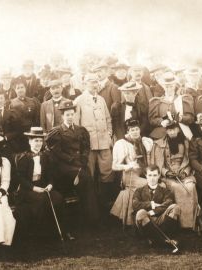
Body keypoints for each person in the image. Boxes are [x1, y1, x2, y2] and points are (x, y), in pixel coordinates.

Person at [45, 100, 99, 224]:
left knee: (87, 179)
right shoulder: (57, 131)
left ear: (74, 114)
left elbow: (86, 147)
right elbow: (57, 152)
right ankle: (89, 217)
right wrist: (72, 160)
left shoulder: (81, 130)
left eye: (71, 114)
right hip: (65, 167)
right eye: (67, 115)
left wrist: (83, 159)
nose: (70, 117)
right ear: (62, 116)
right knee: (85, 178)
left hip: (80, 164)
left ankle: (90, 218)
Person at [149, 119, 202, 230]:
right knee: (177, 188)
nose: (171, 132)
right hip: (169, 177)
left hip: (184, 173)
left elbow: (189, 161)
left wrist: (184, 172)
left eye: (173, 130)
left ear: (178, 129)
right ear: (166, 131)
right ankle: (180, 223)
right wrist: (167, 172)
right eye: (169, 130)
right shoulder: (160, 144)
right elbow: (158, 164)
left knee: (190, 187)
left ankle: (190, 223)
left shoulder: (186, 143)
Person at [13, 127, 64, 238]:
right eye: (36, 140)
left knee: (58, 197)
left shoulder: (45, 156)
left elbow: (50, 174)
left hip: (43, 186)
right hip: (27, 189)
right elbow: (20, 178)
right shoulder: (23, 157)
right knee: (39, 199)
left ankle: (57, 231)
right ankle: (38, 233)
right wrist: (34, 188)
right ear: (30, 141)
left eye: (41, 141)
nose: (38, 143)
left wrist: (50, 184)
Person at [74, 73, 114, 207]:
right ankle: (91, 206)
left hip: (104, 143)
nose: (94, 84)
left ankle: (105, 204)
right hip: (88, 144)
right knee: (90, 173)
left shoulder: (101, 99)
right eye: (91, 82)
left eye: (96, 82)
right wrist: (81, 143)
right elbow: (76, 124)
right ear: (85, 84)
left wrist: (109, 134)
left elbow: (108, 119)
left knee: (107, 172)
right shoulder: (79, 100)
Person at [111, 119, 153, 226]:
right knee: (147, 185)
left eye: (137, 129)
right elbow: (114, 166)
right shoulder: (122, 144)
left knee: (157, 183)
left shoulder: (144, 141)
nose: (135, 132)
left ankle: (152, 217)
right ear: (128, 131)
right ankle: (137, 218)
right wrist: (128, 165)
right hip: (130, 175)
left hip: (143, 172)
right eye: (132, 130)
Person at [133, 165, 181, 251]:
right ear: (146, 176)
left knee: (175, 207)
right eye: (150, 175)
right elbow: (135, 205)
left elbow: (168, 203)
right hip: (145, 220)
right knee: (141, 213)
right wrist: (152, 204)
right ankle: (165, 241)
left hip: (160, 219)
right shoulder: (139, 191)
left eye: (155, 175)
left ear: (159, 176)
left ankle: (155, 240)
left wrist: (151, 212)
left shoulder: (166, 191)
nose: (152, 178)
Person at [149, 71, 195, 140]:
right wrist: (161, 121)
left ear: (175, 85)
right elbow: (152, 120)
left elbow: (190, 118)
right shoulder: (157, 102)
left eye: (171, 86)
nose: (169, 89)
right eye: (166, 86)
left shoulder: (183, 99)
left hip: (181, 132)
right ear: (163, 86)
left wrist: (181, 118)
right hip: (163, 133)